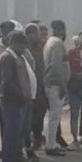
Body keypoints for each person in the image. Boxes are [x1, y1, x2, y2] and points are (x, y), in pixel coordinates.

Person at [0, 30, 35, 162]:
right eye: (21, 45)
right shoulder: (7, 58)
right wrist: (21, 95)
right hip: (12, 102)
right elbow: (7, 83)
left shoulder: (19, 57)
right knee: (10, 134)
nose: (23, 48)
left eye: (24, 45)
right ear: (12, 43)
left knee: (18, 134)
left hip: (22, 101)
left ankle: (14, 161)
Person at [41, 20, 70, 157]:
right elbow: (57, 66)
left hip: (51, 82)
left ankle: (51, 142)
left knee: (53, 116)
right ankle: (50, 145)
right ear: (62, 30)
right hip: (55, 83)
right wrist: (62, 85)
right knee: (54, 116)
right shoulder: (57, 43)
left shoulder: (50, 42)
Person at [26, 23, 47, 153]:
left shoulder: (43, 47)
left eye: (35, 32)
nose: (33, 36)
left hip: (41, 85)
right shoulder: (24, 48)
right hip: (28, 86)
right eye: (30, 33)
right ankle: (28, 144)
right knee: (29, 117)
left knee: (39, 115)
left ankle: (37, 140)